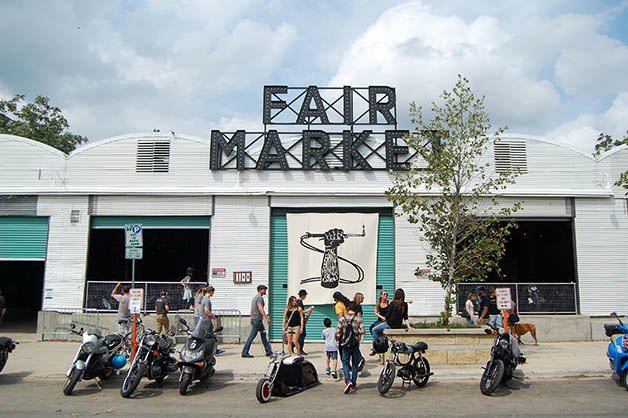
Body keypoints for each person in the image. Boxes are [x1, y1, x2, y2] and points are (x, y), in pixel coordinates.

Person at [370, 288, 410, 355]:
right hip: (398, 325)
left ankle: (376, 347)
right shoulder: (405, 305)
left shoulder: (393, 303)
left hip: (389, 324)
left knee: (374, 330)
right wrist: (409, 326)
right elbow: (405, 317)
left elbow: (388, 315)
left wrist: (384, 318)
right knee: (380, 332)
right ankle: (380, 343)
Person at [336, 302, 365, 393]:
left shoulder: (342, 319)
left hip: (345, 344)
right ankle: (353, 383)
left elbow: (338, 332)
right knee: (355, 365)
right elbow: (363, 331)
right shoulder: (358, 319)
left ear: (348, 309)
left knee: (345, 363)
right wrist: (358, 334)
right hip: (355, 344)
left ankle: (347, 381)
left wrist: (338, 338)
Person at [241, 284, 272, 358]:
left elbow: (252, 309)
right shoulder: (259, 298)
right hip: (257, 319)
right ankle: (245, 352)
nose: (265, 291)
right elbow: (260, 309)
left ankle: (268, 351)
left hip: (256, 319)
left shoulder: (255, 298)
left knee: (263, 334)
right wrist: (267, 318)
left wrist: (251, 318)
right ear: (260, 290)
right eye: (264, 289)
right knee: (252, 336)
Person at [296, 289, 314, 355]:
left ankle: (294, 345)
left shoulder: (299, 302)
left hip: (301, 320)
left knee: (300, 335)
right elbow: (300, 311)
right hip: (300, 321)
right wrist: (308, 310)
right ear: (303, 295)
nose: (306, 296)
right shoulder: (299, 302)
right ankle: (300, 349)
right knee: (302, 335)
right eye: (305, 295)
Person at [352, 292, 366, 372]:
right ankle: (360, 359)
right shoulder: (358, 307)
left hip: (351, 327)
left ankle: (358, 359)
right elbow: (359, 318)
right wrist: (362, 329)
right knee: (356, 344)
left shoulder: (352, 305)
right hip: (356, 328)